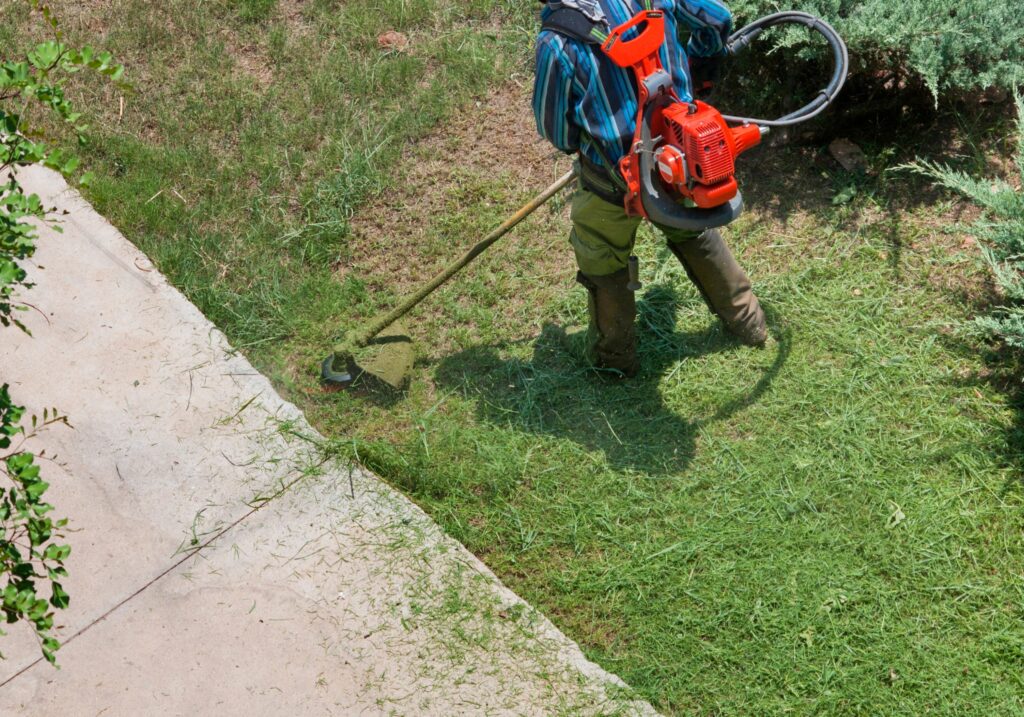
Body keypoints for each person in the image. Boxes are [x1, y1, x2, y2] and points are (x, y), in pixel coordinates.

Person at [533, 0, 767, 377]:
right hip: (680, 154)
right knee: (694, 230)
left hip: (610, 177)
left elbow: (554, 128)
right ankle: (750, 323)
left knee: (602, 257)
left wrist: (584, 143)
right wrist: (700, 66)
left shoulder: (557, 39)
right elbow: (717, 20)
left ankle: (615, 361)